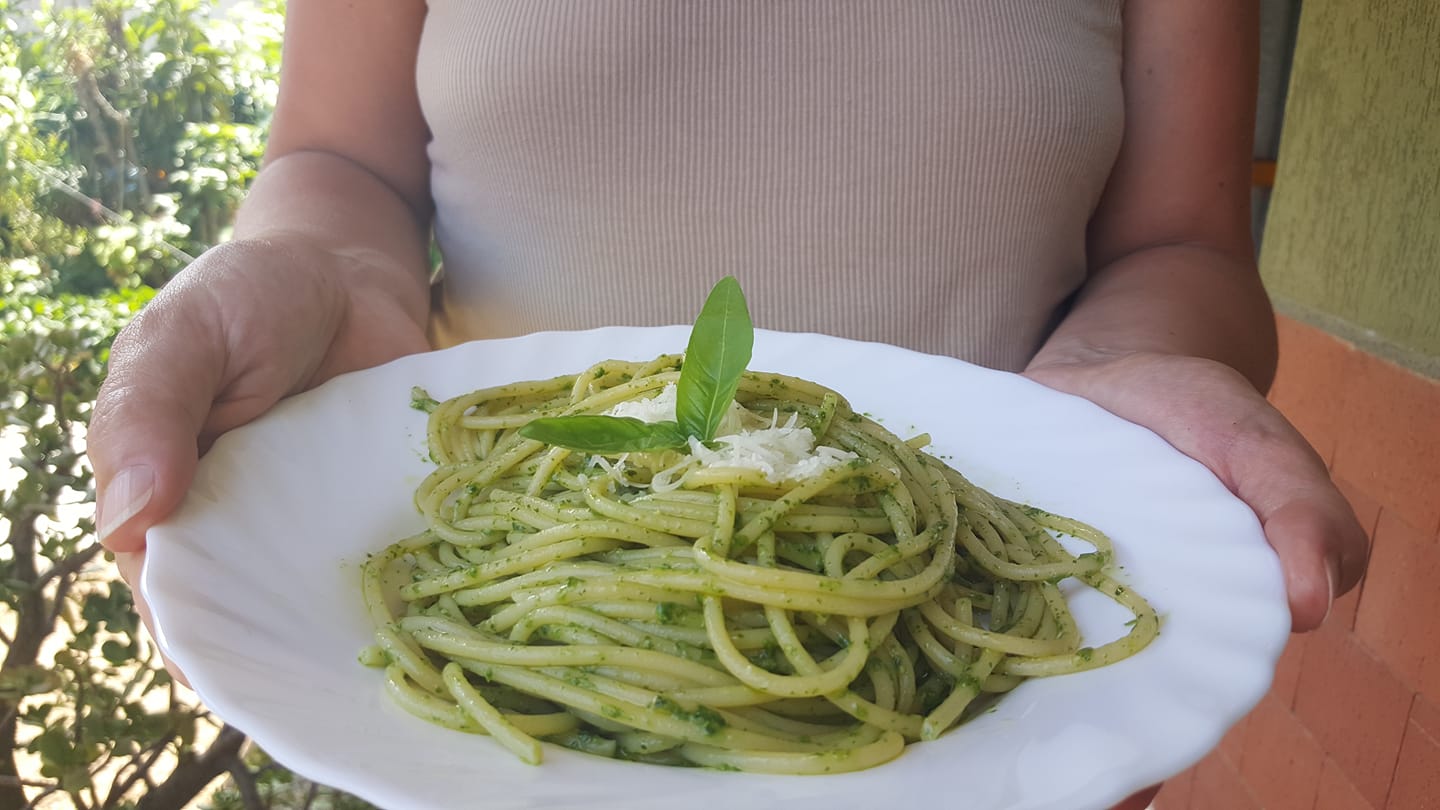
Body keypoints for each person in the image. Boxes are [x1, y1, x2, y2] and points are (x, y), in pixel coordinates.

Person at [88, 2, 1369, 807]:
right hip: (503, 690)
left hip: (960, 677)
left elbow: (1182, 243)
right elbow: (339, 157)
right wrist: (315, 267)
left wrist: (1109, 394)